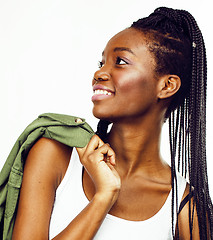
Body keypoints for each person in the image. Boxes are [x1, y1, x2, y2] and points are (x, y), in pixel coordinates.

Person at [12, 7, 212, 240]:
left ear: (166, 86)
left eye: (120, 61)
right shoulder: (56, 154)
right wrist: (104, 197)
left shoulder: (184, 208)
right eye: (102, 61)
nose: (100, 72)